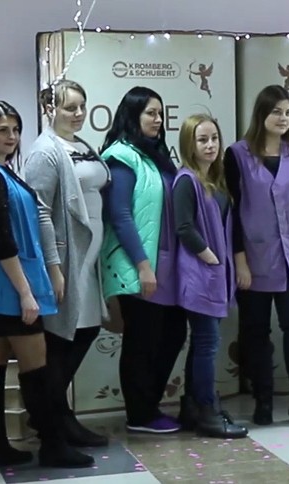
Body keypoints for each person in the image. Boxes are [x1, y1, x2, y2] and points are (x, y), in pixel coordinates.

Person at [0, 100, 93, 469]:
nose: (12, 137)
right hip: (9, 290)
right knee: (38, 367)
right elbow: (2, 242)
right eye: (3, 130)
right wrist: (25, 292)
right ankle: (53, 445)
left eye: (16, 130)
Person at [224, 85, 289, 430]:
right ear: (261, 114)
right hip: (254, 259)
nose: (283, 118)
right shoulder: (237, 154)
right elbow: (231, 212)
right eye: (276, 111)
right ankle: (263, 400)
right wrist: (239, 260)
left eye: (288, 112)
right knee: (254, 332)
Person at [22, 80, 110, 447]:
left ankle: (55, 414)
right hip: (66, 259)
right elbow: (39, 211)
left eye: (81, 107)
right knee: (62, 337)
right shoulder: (46, 152)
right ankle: (52, 419)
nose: (78, 114)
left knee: (85, 329)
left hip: (88, 259)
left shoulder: (82, 145)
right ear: (50, 109)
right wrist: (53, 266)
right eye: (69, 107)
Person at [100, 86, 187, 433]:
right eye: (151, 113)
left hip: (165, 262)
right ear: (132, 115)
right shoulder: (121, 156)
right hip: (137, 264)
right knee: (142, 341)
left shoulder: (155, 155)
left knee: (172, 334)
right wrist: (142, 265)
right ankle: (140, 414)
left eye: (160, 113)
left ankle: (150, 405)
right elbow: (120, 215)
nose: (158, 119)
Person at [172, 113, 248, 439]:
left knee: (203, 343)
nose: (210, 145)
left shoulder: (215, 180)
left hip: (214, 274)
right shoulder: (187, 180)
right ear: (189, 144)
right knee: (207, 343)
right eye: (202, 140)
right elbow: (184, 227)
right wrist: (212, 258)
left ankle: (193, 407)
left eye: (214, 138)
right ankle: (207, 410)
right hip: (201, 274)